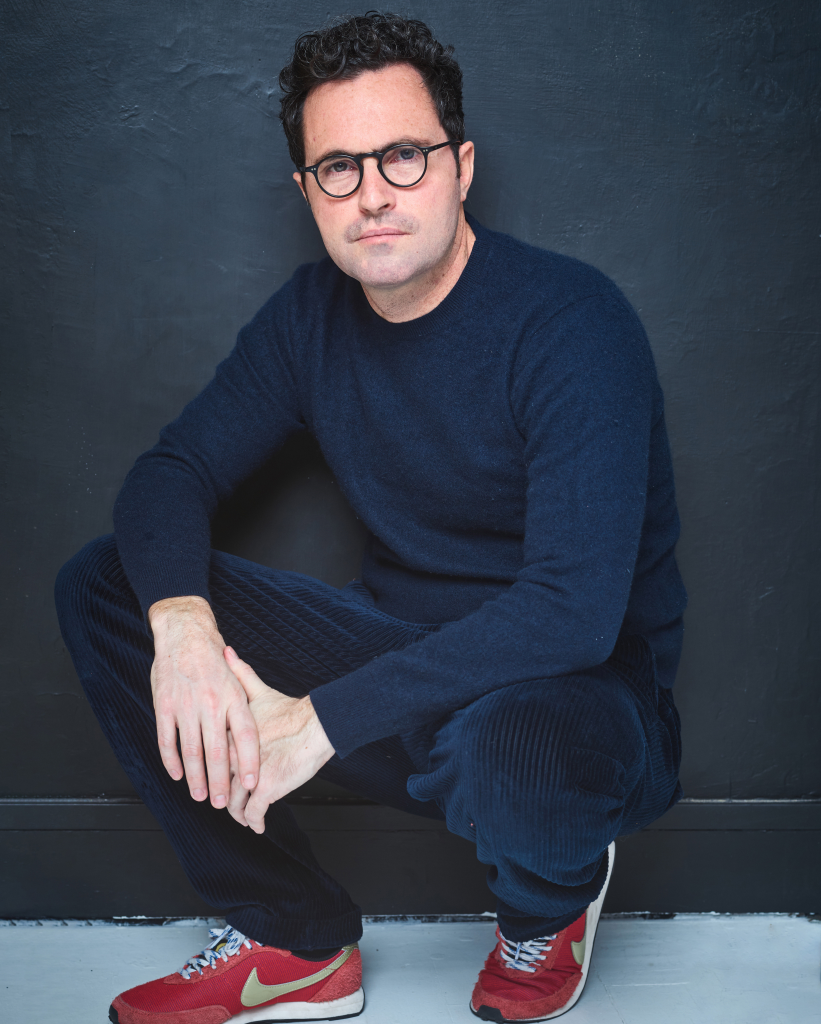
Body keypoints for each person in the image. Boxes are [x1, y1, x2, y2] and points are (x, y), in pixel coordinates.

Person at [55, 12, 686, 1024]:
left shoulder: (571, 323)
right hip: (401, 667)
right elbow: (171, 475)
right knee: (108, 582)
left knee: (510, 745)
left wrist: (318, 722)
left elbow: (572, 612)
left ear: (460, 167)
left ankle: (548, 904)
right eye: (338, 168)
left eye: (402, 155)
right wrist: (182, 630)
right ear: (307, 190)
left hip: (573, 703)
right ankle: (292, 936)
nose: (373, 193)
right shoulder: (310, 317)